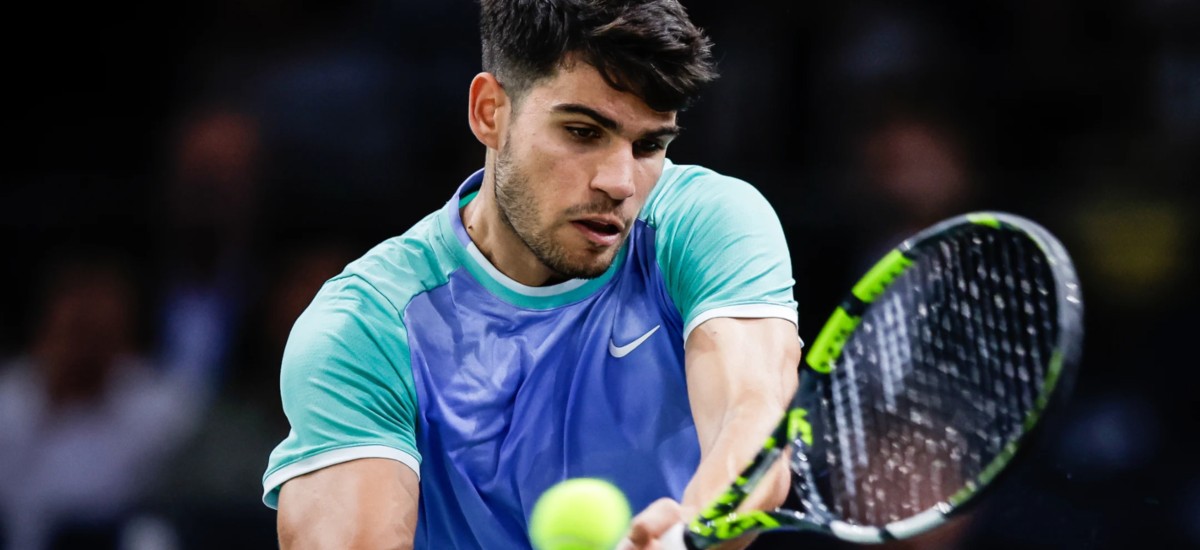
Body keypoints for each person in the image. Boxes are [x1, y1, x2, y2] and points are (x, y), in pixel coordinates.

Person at [262, 1, 802, 548]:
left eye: (649, 146)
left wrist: (691, 530)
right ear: (490, 112)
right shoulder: (367, 325)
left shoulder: (706, 224)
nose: (620, 183)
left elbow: (752, 422)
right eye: (583, 131)